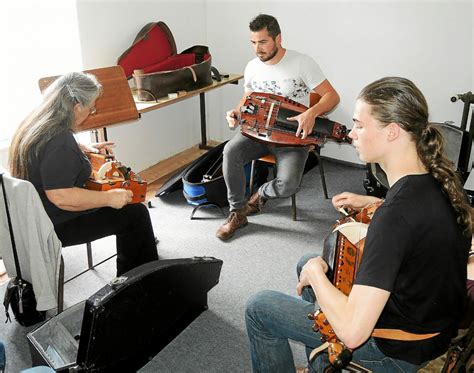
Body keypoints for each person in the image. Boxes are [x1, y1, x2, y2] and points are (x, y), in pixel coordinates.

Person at [245, 77, 472, 372]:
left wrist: (316, 274)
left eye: (360, 125)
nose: (351, 134)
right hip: (433, 326)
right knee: (307, 262)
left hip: (397, 352)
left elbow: (354, 333)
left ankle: (327, 360)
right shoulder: (438, 179)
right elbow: (418, 223)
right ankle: (324, 364)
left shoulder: (396, 216)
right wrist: (374, 204)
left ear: (392, 132)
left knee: (261, 306)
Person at [9, 71, 158, 276]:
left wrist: (81, 149)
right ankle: (137, 284)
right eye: (91, 108)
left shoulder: (36, 122)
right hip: (53, 225)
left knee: (130, 212)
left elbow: (47, 155)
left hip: (31, 216)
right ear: (77, 107)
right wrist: (108, 199)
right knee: (135, 214)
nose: (92, 112)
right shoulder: (60, 141)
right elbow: (61, 196)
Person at [216, 14, 340, 240]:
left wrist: (311, 113)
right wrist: (235, 113)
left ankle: (261, 193)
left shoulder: (301, 62)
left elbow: (332, 96)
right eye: (253, 43)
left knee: (288, 185)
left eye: (263, 42)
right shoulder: (252, 66)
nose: (257, 49)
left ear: (278, 39)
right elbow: (247, 100)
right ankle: (237, 213)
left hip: (292, 136)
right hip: (258, 134)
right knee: (230, 151)